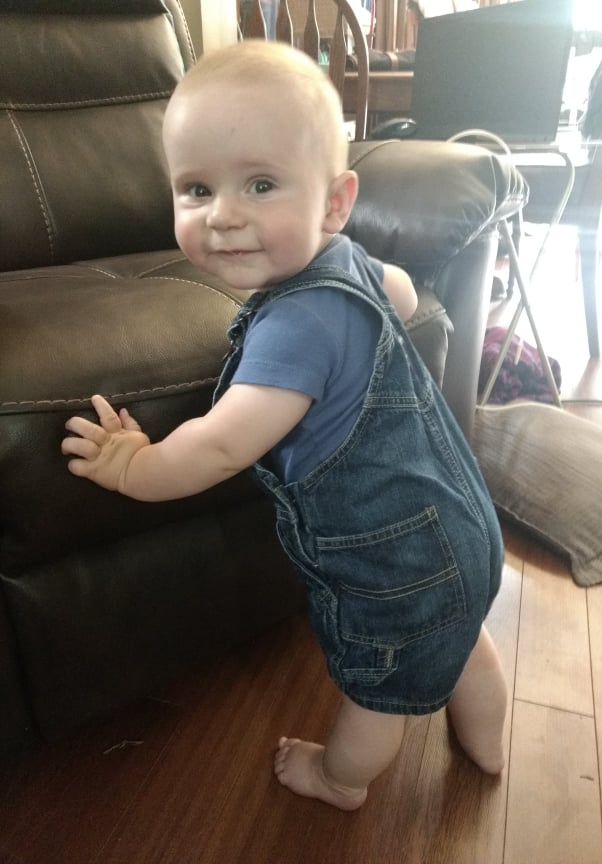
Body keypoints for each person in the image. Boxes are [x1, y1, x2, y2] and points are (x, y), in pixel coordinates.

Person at [61, 40, 507, 811]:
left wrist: (133, 464)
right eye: (196, 190)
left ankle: (339, 781)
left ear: (334, 201)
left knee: (381, 692)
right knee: (461, 636)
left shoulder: (294, 330)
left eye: (260, 184)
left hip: (393, 566)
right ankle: (490, 742)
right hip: (464, 529)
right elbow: (401, 297)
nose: (224, 216)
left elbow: (223, 442)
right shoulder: (351, 259)